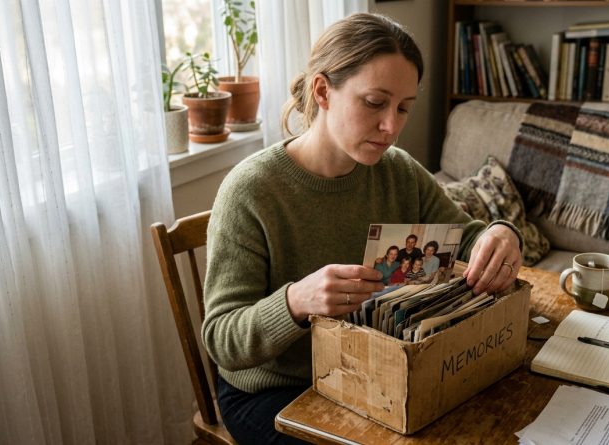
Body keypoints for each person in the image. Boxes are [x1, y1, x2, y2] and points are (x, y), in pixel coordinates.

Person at [201, 13, 523, 445]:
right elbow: (222, 339)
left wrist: (502, 234)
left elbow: (468, 234)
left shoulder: (398, 172)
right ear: (323, 91)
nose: (391, 126)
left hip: (370, 371)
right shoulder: (251, 191)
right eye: (375, 102)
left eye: (404, 108)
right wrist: (296, 301)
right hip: (274, 390)